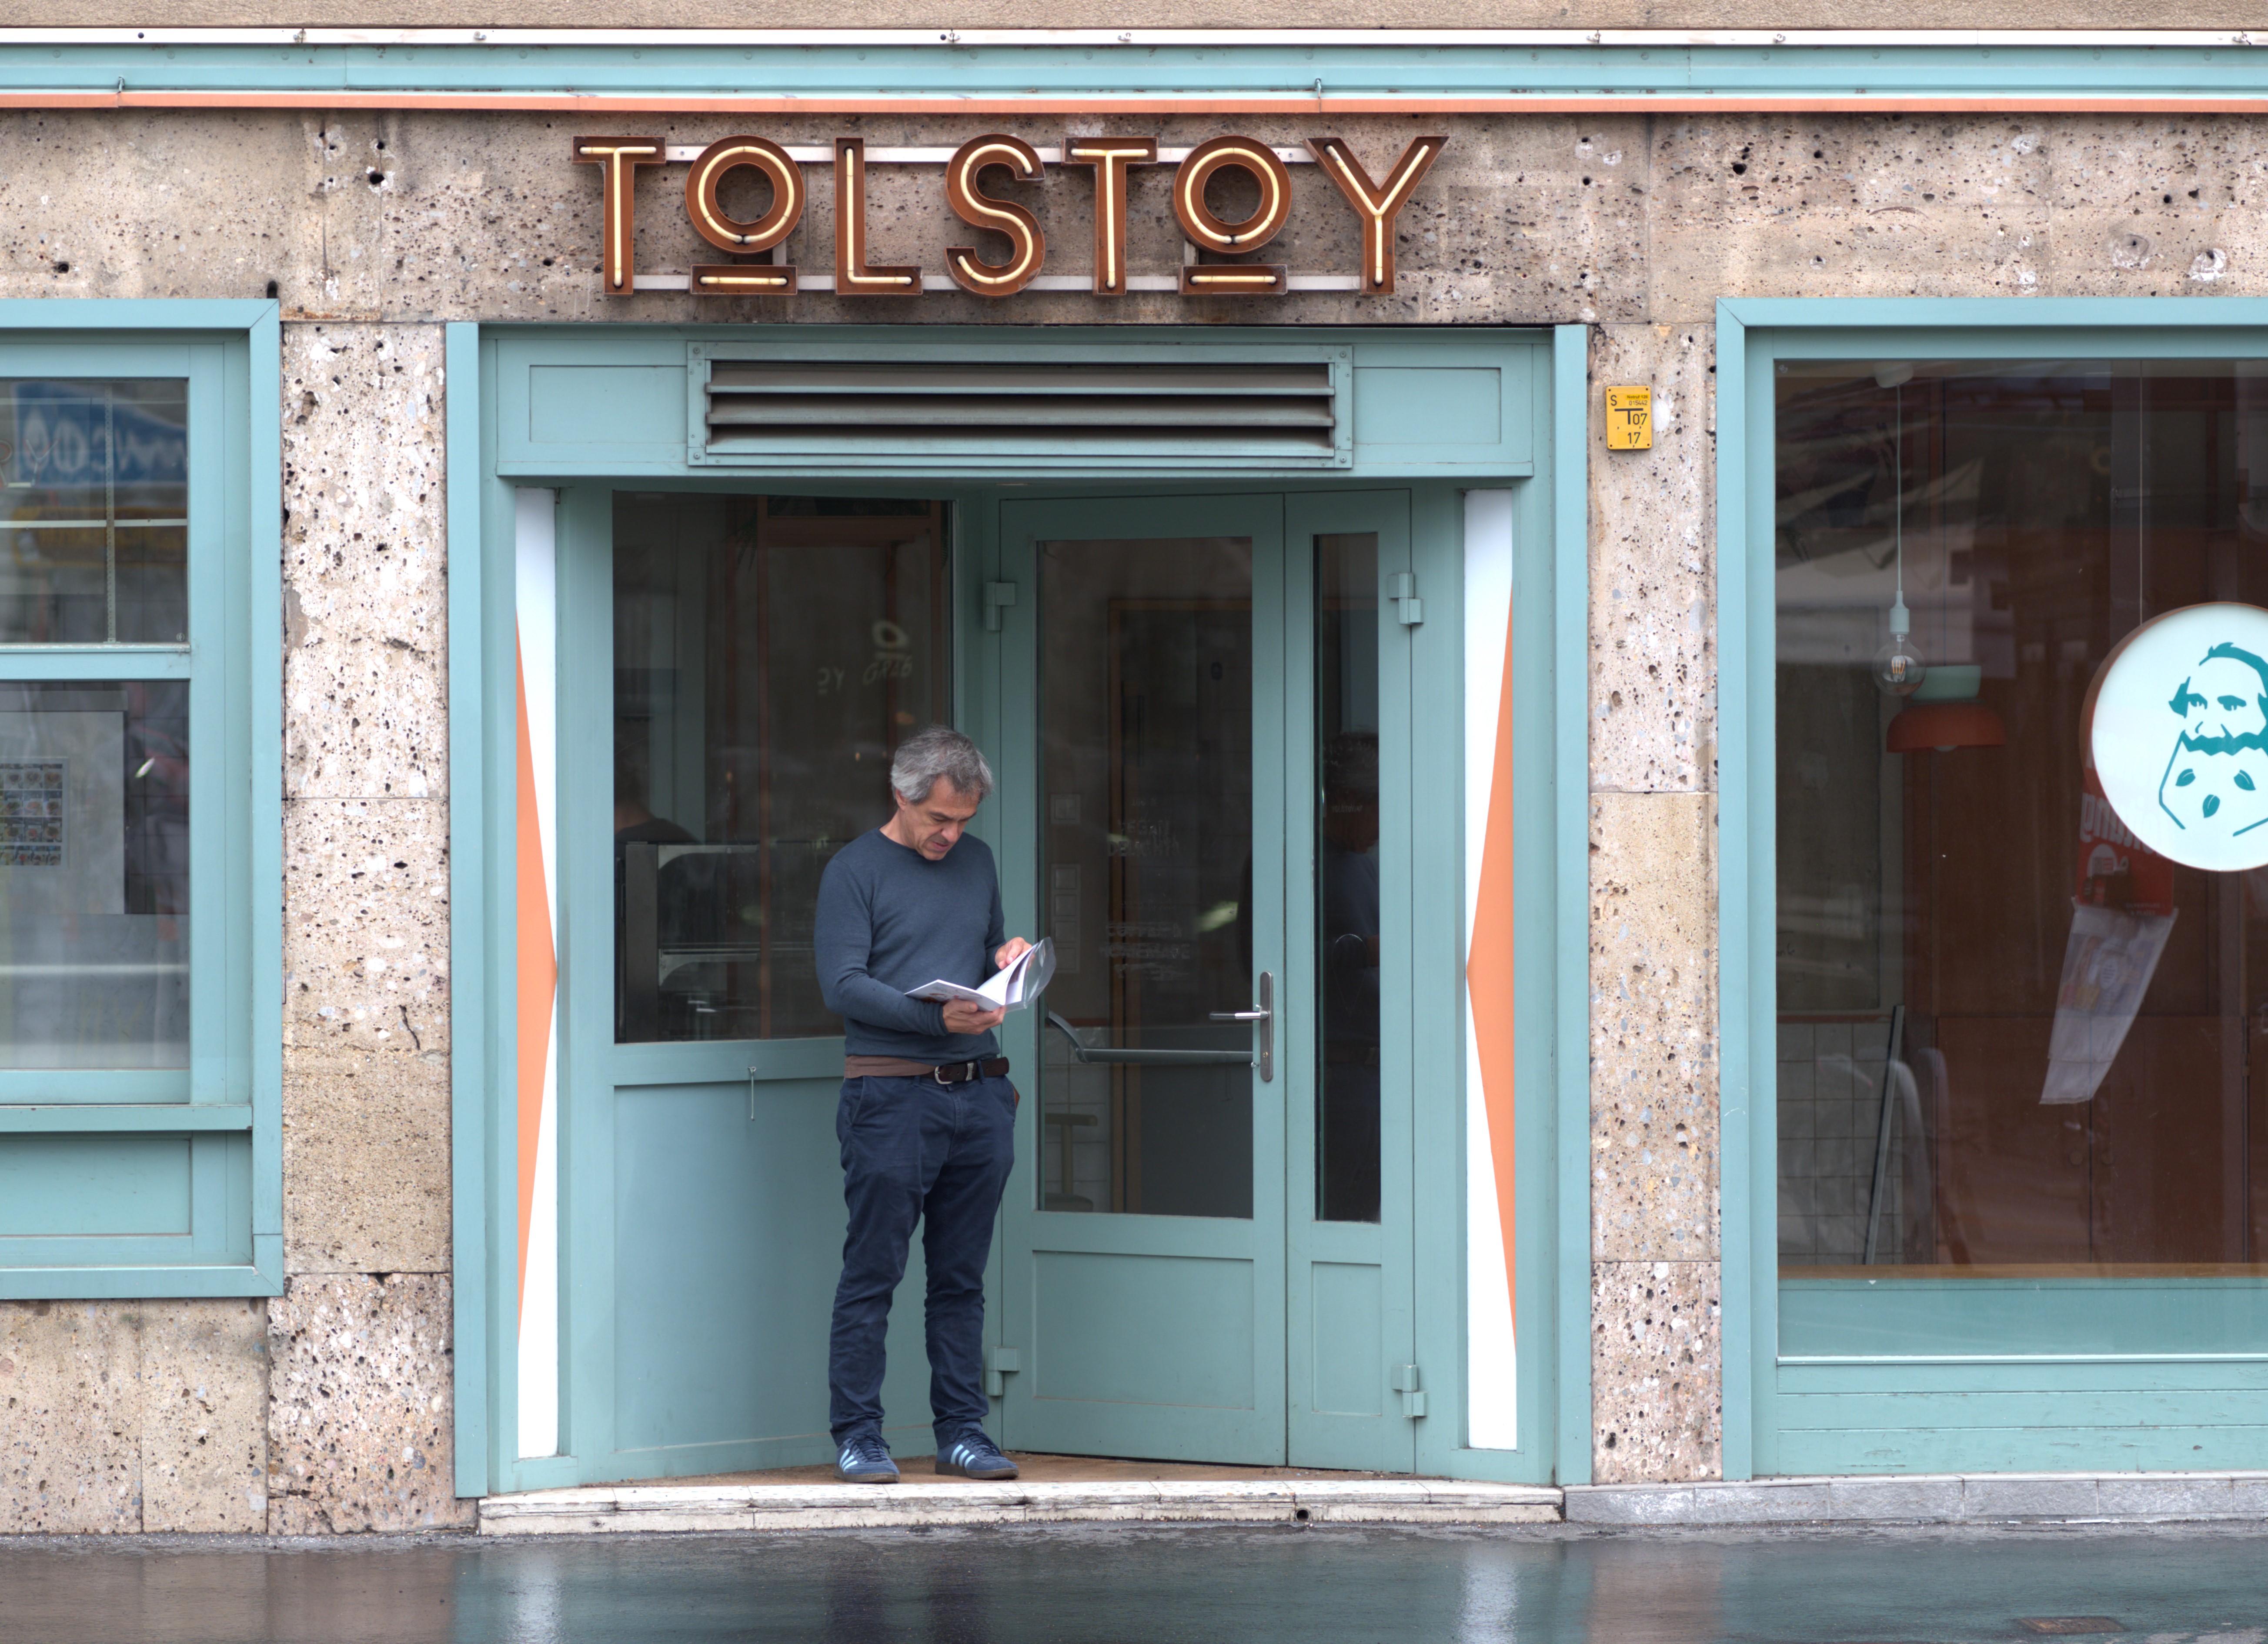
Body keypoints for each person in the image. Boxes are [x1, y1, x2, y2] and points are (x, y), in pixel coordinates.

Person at [814, 725, 1031, 1485]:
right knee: (874, 1272)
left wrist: (1005, 958)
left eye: (965, 820)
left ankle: (962, 1432)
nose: (952, 834)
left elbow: (983, 944)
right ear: (901, 796)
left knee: (961, 1278)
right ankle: (859, 1435)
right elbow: (843, 984)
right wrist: (936, 1020)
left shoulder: (978, 861)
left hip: (979, 1092)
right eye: (940, 818)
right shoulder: (854, 870)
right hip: (889, 1094)